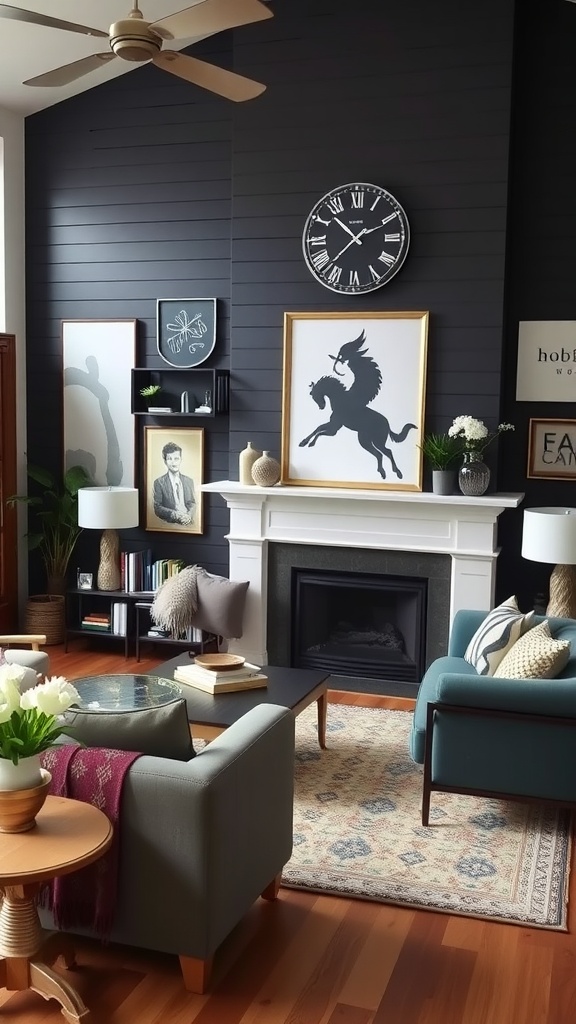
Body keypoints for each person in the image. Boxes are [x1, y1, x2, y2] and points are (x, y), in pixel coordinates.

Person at [153, 442, 196, 526]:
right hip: (170, 523)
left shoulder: (189, 481)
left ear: (181, 459)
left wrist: (189, 516)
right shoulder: (159, 482)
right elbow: (157, 507)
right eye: (170, 459)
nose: (173, 462)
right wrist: (175, 515)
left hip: (188, 522)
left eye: (176, 458)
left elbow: (192, 503)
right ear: (165, 461)